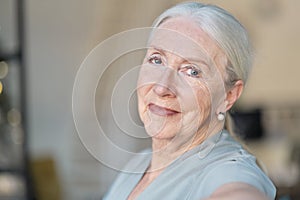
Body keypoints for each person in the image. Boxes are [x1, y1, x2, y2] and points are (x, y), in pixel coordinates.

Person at [103, 2, 276, 200]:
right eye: (156, 60)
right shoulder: (136, 166)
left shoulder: (230, 171)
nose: (162, 87)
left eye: (192, 71)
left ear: (229, 96)